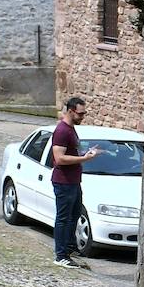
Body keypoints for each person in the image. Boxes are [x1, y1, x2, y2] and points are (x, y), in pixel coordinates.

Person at [51, 96, 101, 270]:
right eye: (80, 113)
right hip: (63, 182)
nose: (83, 117)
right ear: (71, 111)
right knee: (63, 219)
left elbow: (70, 152)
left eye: (84, 113)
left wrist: (85, 153)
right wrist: (84, 158)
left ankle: (70, 249)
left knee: (74, 216)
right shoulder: (62, 130)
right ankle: (61, 255)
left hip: (73, 181)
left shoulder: (71, 129)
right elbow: (59, 158)